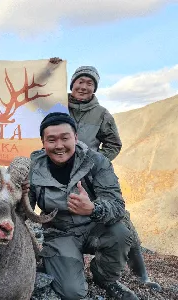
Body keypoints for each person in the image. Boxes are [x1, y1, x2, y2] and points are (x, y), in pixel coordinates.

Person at [67, 65, 160, 290]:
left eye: (90, 83)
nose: (84, 86)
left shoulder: (102, 114)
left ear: (94, 88)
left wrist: (97, 162)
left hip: (93, 177)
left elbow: (114, 144)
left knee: (120, 219)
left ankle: (142, 276)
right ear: (72, 84)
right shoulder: (56, 106)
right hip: (61, 173)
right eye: (80, 81)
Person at [29, 112, 138, 300]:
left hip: (94, 226)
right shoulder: (32, 169)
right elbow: (22, 210)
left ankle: (105, 278)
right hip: (60, 233)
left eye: (65, 138)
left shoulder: (96, 162)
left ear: (76, 137)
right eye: (51, 140)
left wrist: (93, 209)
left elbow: (117, 205)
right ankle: (60, 262)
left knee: (120, 233)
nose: (59, 146)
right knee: (72, 292)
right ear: (43, 142)